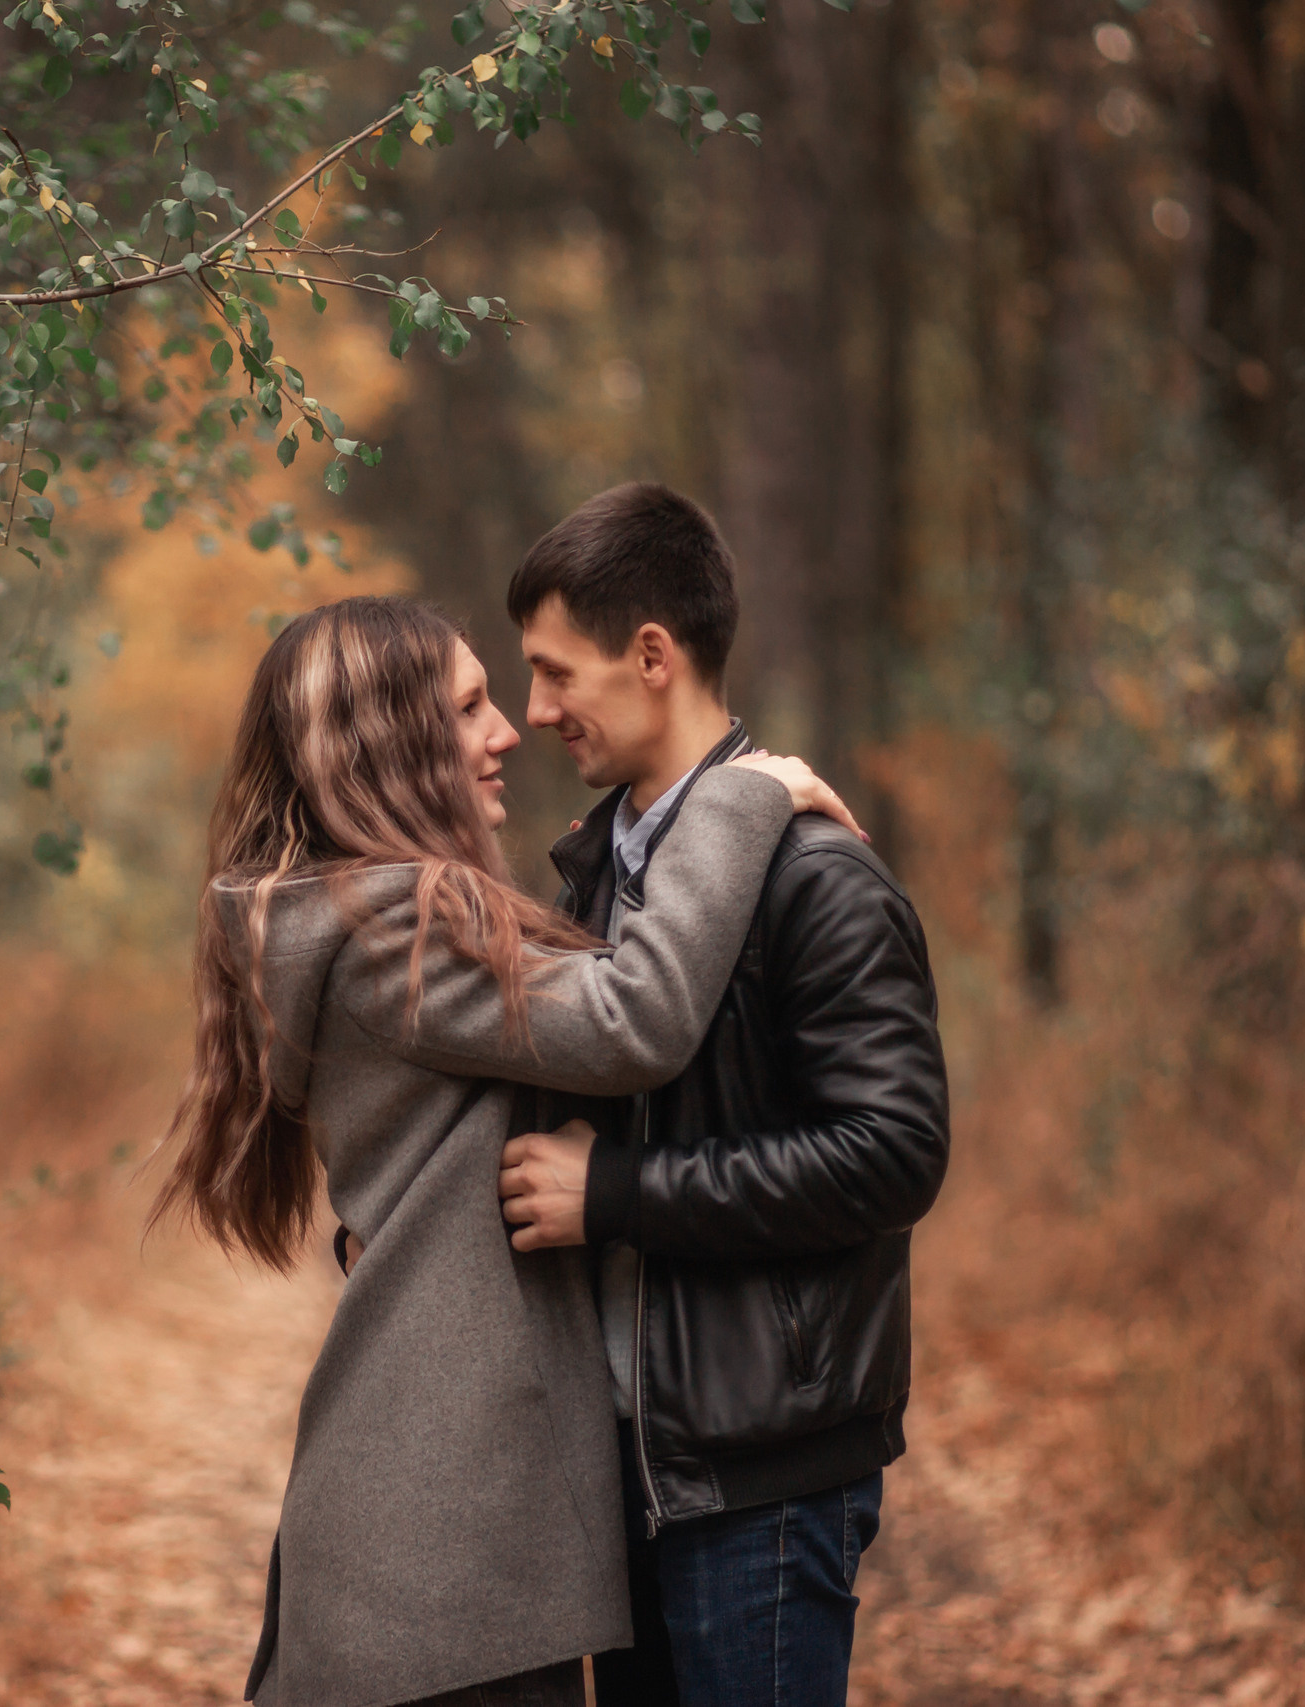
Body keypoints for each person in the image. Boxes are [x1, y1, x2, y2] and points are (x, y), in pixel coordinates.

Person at [151, 595, 860, 1707]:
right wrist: (741, 793)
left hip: (438, 1518)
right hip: (438, 1542)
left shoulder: (366, 919)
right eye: (470, 706)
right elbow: (638, 1015)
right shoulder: (393, 929)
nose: (505, 731)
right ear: (393, 743)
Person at [492, 483, 951, 1707]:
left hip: (764, 1468)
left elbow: (892, 1154)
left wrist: (620, 1194)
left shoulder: (816, 880)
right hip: (627, 1466)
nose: (533, 712)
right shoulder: (594, 877)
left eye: (553, 674)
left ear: (651, 655)